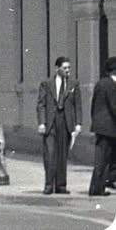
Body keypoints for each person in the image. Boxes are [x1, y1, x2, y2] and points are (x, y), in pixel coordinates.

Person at [36, 56, 82, 195]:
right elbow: (41, 104)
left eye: (69, 68)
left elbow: (77, 105)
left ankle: (61, 185)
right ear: (57, 68)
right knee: (50, 154)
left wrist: (78, 123)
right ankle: (49, 185)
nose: (68, 70)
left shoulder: (74, 84)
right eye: (65, 68)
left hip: (65, 122)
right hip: (51, 123)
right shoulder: (46, 84)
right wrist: (42, 122)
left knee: (62, 155)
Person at [88, 56, 116, 196]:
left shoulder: (101, 83)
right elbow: (114, 106)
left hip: (101, 127)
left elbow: (94, 105)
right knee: (103, 159)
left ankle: (100, 187)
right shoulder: (111, 85)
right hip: (109, 127)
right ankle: (96, 188)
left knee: (104, 159)